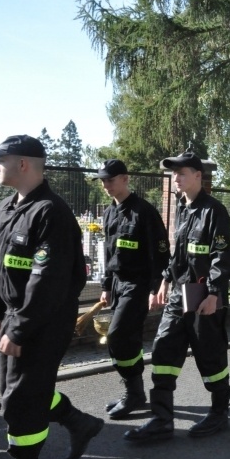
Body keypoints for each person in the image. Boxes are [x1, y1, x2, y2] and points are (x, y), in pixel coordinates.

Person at [0, 135, 104, 459]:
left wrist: (21, 327)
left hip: (43, 320)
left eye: (1, 158)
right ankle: (78, 422)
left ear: (23, 164)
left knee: (21, 399)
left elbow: (49, 280)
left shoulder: (51, 213)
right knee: (15, 394)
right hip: (14, 315)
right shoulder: (6, 208)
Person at [124, 151, 230, 443]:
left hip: (204, 297)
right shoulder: (182, 208)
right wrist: (164, 280)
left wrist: (214, 293)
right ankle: (162, 419)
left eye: (182, 173)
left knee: (210, 356)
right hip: (179, 294)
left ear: (198, 176)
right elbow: (179, 254)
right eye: (174, 174)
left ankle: (219, 412)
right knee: (163, 351)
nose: (176, 178)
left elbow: (222, 257)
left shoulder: (214, 211)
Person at [95, 159, 171, 420]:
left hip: (138, 285)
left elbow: (160, 254)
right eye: (103, 180)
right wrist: (106, 286)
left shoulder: (144, 212)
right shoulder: (109, 213)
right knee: (126, 339)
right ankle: (134, 392)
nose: (106, 185)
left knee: (117, 336)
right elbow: (108, 253)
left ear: (125, 179)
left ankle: (135, 394)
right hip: (117, 284)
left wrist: (156, 287)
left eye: (111, 180)